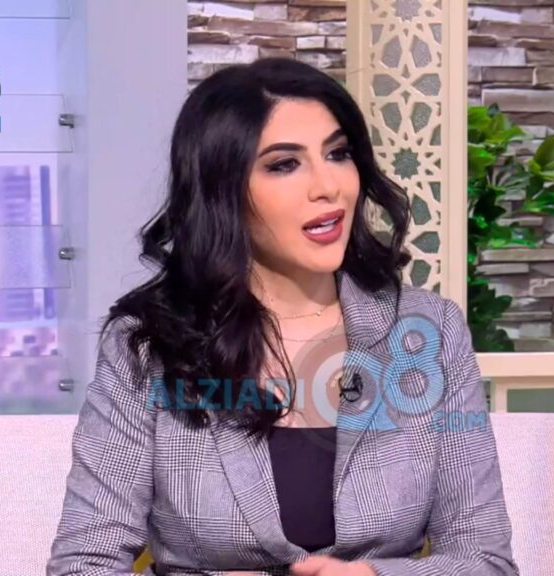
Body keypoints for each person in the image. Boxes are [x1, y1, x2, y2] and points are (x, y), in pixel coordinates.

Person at [46, 57, 519, 576]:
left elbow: (484, 561)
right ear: (222, 190)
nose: (328, 186)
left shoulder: (427, 332)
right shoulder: (148, 343)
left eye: (338, 154)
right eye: (284, 164)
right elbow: (82, 564)